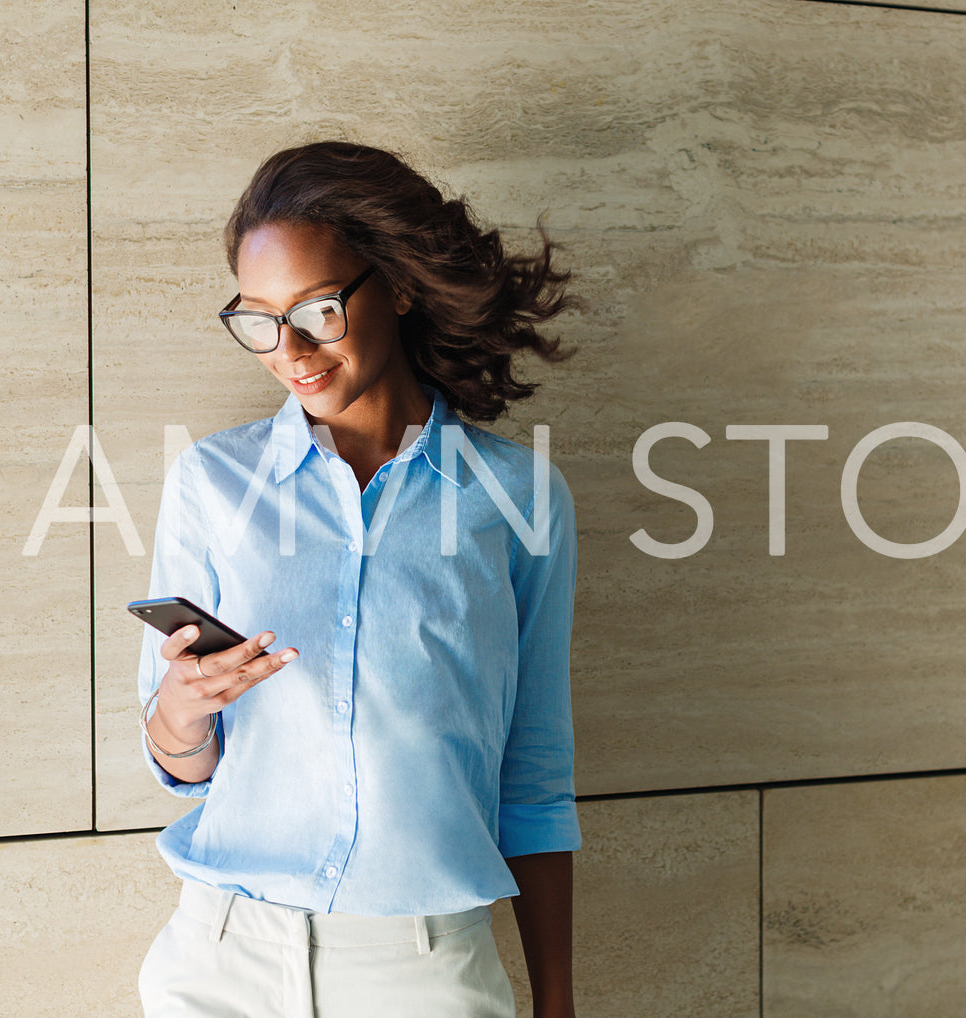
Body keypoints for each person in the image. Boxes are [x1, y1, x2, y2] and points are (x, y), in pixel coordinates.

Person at [134, 140, 581, 1018]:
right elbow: (178, 763)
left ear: (399, 285)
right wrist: (182, 714)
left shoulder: (517, 499)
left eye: (317, 310)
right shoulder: (211, 485)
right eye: (257, 320)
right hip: (222, 960)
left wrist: (556, 1001)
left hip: (420, 968)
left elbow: (532, 776)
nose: (287, 349)